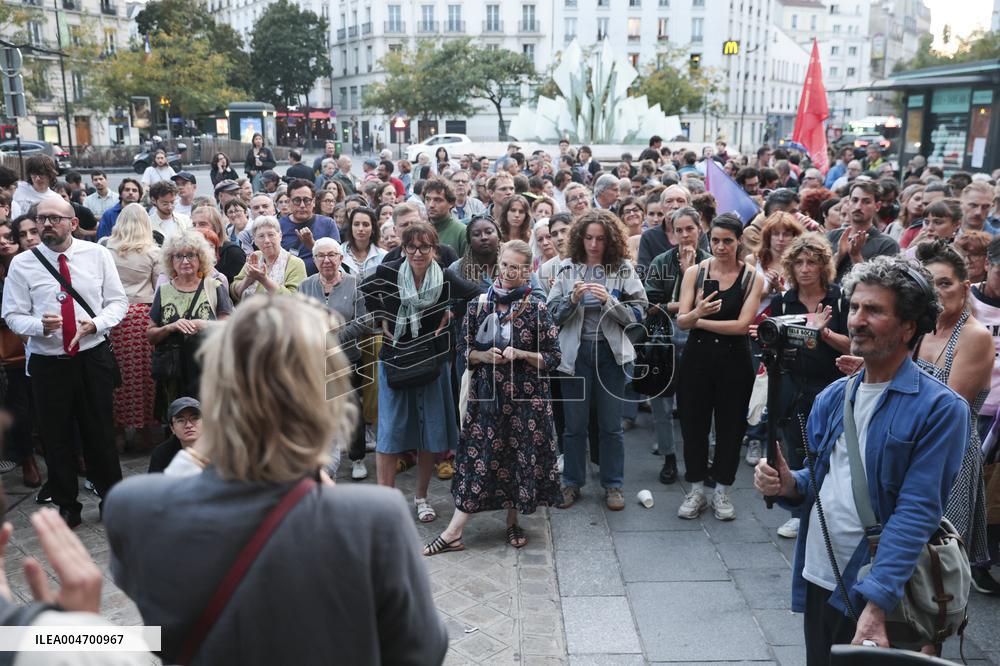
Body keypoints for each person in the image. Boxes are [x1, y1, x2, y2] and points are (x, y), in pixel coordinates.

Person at [106, 295, 448, 665]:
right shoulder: (373, 519)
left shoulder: (133, 507)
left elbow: (160, 637)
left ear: (216, 390)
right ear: (322, 401)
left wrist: (63, 626)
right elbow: (422, 652)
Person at [754, 254, 969, 664]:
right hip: (820, 573)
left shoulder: (941, 409)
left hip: (879, 585)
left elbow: (917, 512)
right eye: (854, 307)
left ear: (909, 326)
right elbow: (820, 478)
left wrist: (876, 605)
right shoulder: (836, 395)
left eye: (874, 310)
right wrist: (789, 484)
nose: (856, 320)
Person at [424, 240, 562, 555]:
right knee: (479, 462)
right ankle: (453, 531)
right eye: (505, 265)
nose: (509, 272)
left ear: (528, 271)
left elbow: (553, 357)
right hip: (486, 400)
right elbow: (464, 350)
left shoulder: (537, 308)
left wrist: (523, 353)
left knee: (518, 459)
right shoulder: (479, 305)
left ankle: (513, 521)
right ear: (497, 264)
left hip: (527, 401)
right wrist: (486, 357)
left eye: (516, 267)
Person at [2, 197, 127, 527]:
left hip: (92, 356)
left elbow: (117, 302)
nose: (45, 224)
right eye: (41, 218)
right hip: (48, 363)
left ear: (73, 223)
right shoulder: (23, 264)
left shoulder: (97, 254)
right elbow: (12, 314)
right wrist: (38, 326)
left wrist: (95, 324)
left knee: (99, 432)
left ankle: (111, 498)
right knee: (55, 436)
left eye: (54, 218)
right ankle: (67, 504)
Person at [360, 222, 479, 522]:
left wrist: (452, 314)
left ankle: (421, 497)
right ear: (403, 248)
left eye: (424, 246)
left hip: (431, 362)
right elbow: (365, 290)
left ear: (434, 249)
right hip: (395, 361)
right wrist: (382, 320)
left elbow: (476, 294)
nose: (417, 252)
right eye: (411, 246)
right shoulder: (388, 273)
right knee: (389, 432)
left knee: (429, 431)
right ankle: (385, 502)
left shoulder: (445, 276)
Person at [547, 209, 648, 511]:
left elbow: (640, 314)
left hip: (610, 356)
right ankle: (572, 483)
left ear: (610, 240)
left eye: (600, 239)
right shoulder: (567, 268)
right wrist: (572, 300)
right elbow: (552, 313)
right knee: (574, 426)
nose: (593, 244)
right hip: (574, 358)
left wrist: (611, 301)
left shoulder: (623, 268)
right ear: (580, 238)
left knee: (610, 425)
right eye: (589, 238)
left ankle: (613, 485)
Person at [910, 241, 995, 591]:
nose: (936, 292)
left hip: (951, 457)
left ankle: (934, 641)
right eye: (929, 284)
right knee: (914, 558)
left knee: (941, 561)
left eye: (944, 283)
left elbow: (949, 408)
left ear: (964, 286)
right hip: (915, 448)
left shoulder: (974, 336)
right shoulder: (925, 327)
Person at [759, 233, 849, 539]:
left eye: (812, 262)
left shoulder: (839, 299)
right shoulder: (784, 301)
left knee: (831, 447)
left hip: (832, 383)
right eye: (798, 262)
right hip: (793, 383)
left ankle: (831, 508)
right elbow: (774, 341)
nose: (805, 268)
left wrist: (825, 334)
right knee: (796, 446)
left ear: (824, 265)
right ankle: (800, 512)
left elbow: (854, 346)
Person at [675, 213, 762, 521]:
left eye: (727, 240)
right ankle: (697, 488)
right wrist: (697, 311)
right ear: (707, 240)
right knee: (693, 425)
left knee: (731, 427)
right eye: (715, 240)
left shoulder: (752, 276)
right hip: (697, 358)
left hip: (734, 359)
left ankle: (722, 489)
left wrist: (699, 320)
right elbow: (682, 321)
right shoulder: (695, 273)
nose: (721, 246)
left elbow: (742, 327)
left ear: (739, 240)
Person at [644, 207, 712, 484]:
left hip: (700, 338)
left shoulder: (711, 262)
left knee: (701, 403)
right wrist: (685, 303)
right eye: (679, 230)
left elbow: (713, 305)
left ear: (699, 230)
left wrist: (690, 275)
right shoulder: (661, 261)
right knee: (662, 404)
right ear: (672, 233)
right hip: (665, 340)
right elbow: (649, 306)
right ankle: (669, 456)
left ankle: (703, 458)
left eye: (690, 229)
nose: (685, 235)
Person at [299, 238, 370, 480]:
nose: (326, 260)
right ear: (314, 259)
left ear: (341, 258)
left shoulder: (354, 283)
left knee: (351, 408)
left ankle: (357, 456)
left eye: (332, 255)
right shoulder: (305, 286)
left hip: (347, 357)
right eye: (320, 256)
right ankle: (322, 460)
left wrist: (336, 339)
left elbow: (365, 319)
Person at [147, 229, 233, 404]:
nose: (185, 261)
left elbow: (229, 327)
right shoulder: (164, 291)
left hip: (207, 369)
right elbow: (151, 335)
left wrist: (204, 324)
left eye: (191, 255)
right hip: (174, 372)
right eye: (178, 256)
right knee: (177, 418)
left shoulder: (214, 286)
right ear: (171, 260)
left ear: (200, 258)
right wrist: (171, 326)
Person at [105, 203, 161, 448]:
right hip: (141, 317)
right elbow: (159, 288)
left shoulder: (105, 247)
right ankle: (143, 431)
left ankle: (116, 429)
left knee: (115, 374)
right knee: (143, 377)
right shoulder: (153, 252)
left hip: (112, 317)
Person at [828, 181, 900, 283]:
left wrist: (856, 256)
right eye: (854, 200)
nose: (858, 207)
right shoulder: (832, 236)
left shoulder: (887, 244)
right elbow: (819, 278)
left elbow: (881, 287)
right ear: (848, 203)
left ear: (877, 206)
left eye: (866, 202)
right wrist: (839, 255)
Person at [232, 216, 307, 301]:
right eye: (261, 236)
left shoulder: (296, 263)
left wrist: (264, 280)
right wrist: (248, 279)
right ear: (255, 241)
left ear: (280, 236)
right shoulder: (255, 257)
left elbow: (295, 299)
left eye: (271, 235)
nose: (267, 240)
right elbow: (234, 292)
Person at [279, 179, 340, 275]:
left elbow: (336, 259)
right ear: (289, 202)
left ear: (314, 202)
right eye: (297, 200)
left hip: (321, 281)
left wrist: (312, 245)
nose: (302, 205)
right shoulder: (278, 226)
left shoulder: (328, 224)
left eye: (307, 200)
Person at [148, 397, 206, 474]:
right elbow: (155, 483)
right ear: (172, 428)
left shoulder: (219, 448)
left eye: (194, 418)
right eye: (181, 420)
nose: (188, 425)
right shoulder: (161, 454)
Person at [190, 205, 246, 284]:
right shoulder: (189, 252)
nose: (196, 228)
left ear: (217, 227)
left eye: (202, 224)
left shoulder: (233, 252)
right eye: (193, 225)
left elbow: (236, 289)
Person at [451, 214, 502, 292]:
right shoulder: (457, 269)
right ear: (469, 241)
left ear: (499, 236)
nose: (484, 237)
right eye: (476, 234)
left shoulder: (514, 262)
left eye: (489, 232)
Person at [340, 207, 386, 279]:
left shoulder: (383, 256)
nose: (360, 229)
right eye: (356, 224)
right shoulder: (339, 253)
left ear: (373, 228)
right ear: (351, 227)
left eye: (365, 224)